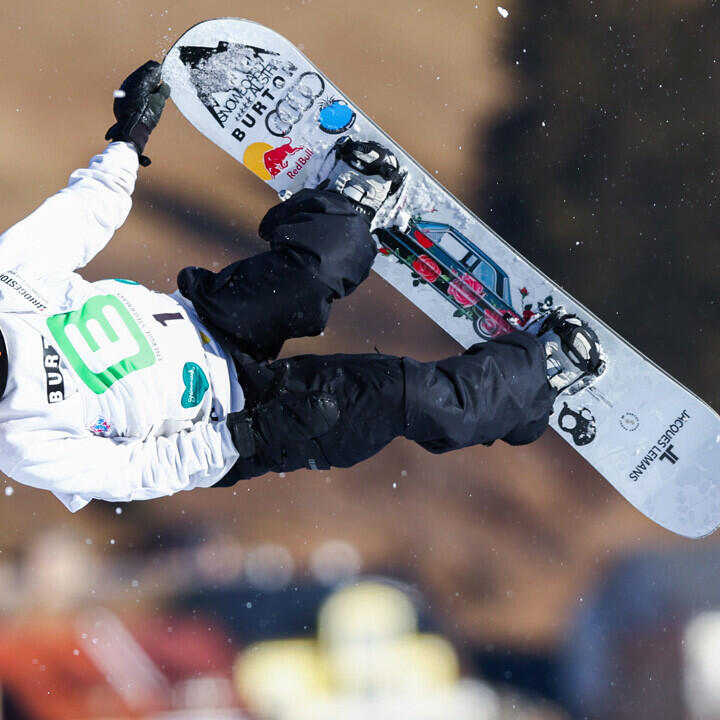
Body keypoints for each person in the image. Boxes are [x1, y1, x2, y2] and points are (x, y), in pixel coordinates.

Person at [0, 62, 603, 512]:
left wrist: (126, 141)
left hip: (204, 319)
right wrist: (249, 436)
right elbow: (141, 471)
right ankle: (535, 377)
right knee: (397, 395)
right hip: (242, 419)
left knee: (312, 271)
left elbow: (77, 219)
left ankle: (351, 205)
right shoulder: (21, 439)